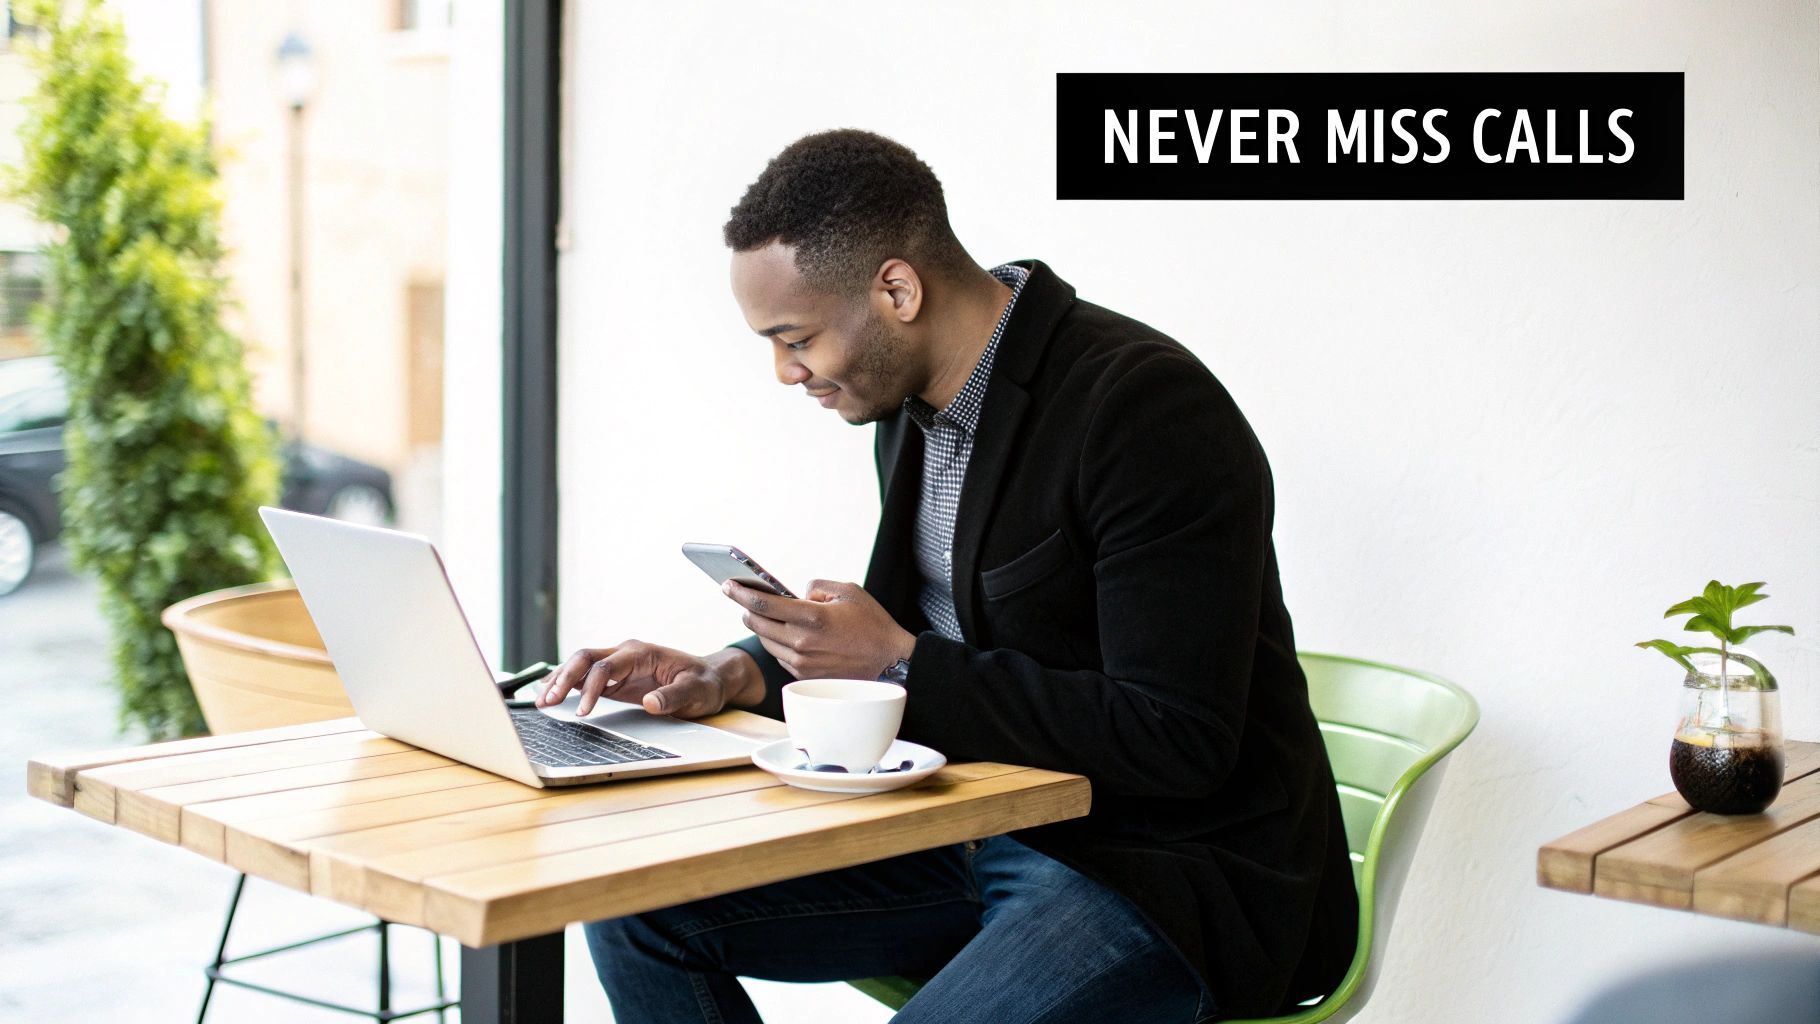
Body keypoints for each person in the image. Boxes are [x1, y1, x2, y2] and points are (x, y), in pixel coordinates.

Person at [536, 128, 1358, 1022]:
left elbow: (1177, 737)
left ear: (896, 289)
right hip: (971, 824)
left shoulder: (1145, 410)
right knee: (635, 903)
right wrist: (732, 672)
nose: (784, 372)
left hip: (1166, 870)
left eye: (796, 337)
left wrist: (896, 663)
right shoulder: (913, 407)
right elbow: (921, 622)